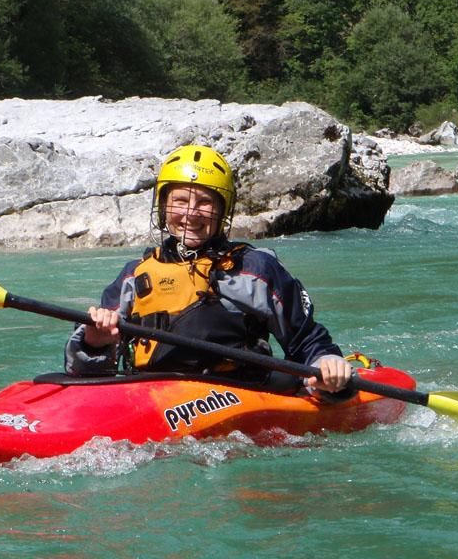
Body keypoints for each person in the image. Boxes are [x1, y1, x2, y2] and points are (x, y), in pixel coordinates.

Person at [64, 144, 354, 396]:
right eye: (180, 201)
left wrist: (327, 367)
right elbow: (83, 371)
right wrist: (94, 342)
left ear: (222, 211)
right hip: (151, 393)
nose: (191, 213)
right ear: (163, 207)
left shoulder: (257, 269)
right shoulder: (133, 276)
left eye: (204, 202)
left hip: (238, 394)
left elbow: (307, 342)